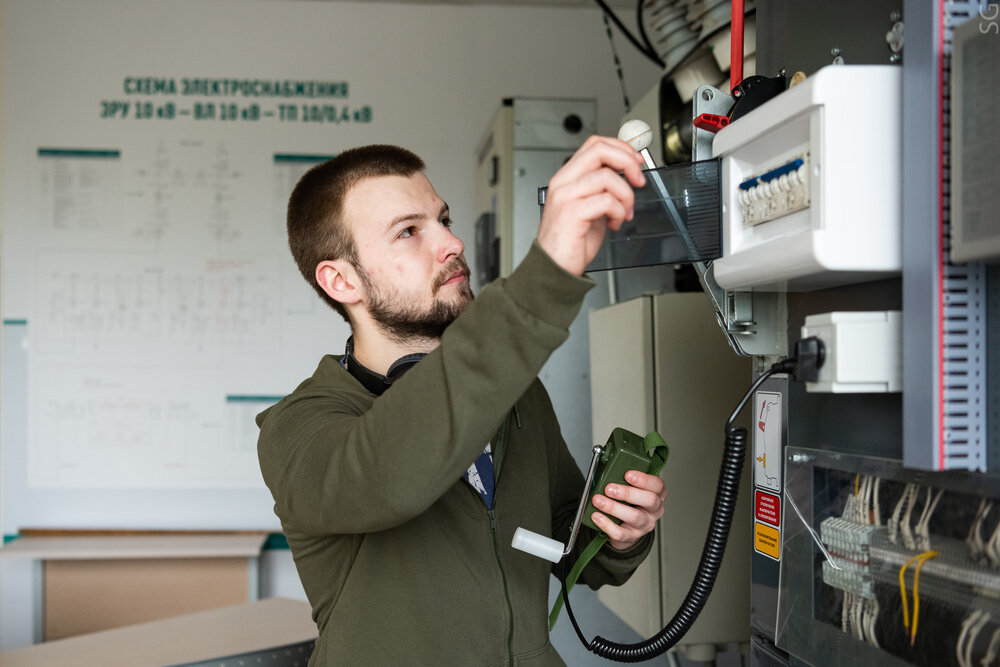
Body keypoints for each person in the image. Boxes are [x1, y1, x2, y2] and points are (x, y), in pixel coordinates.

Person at [256, 135, 666, 666]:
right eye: (409, 232)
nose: (451, 244)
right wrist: (547, 272)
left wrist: (619, 532)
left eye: (443, 220)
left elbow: (569, 545)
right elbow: (388, 476)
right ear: (342, 280)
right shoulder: (298, 429)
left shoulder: (515, 392)